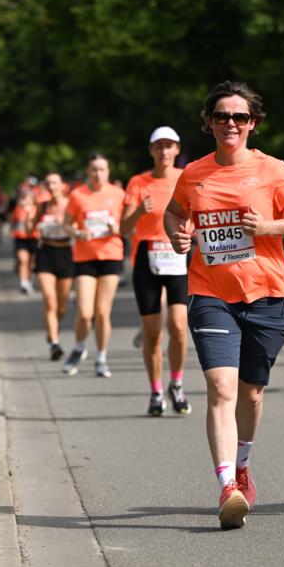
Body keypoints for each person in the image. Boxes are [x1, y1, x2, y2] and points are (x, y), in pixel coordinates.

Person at [164, 81, 284, 529]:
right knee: (221, 390)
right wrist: (178, 233)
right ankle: (227, 486)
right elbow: (175, 212)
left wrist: (268, 226)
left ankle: (243, 462)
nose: (230, 123)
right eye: (221, 116)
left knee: (250, 393)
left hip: (267, 294)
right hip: (211, 293)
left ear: (253, 123)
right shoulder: (193, 173)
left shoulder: (273, 170)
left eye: (239, 117)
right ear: (208, 122)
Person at [122, 127, 191, 416]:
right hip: (147, 258)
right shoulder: (138, 182)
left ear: (177, 150)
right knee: (152, 334)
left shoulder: (186, 178)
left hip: (177, 256)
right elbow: (123, 229)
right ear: (151, 150)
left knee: (177, 326)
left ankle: (177, 383)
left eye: (169, 146)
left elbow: (199, 214)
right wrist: (139, 210)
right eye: (158, 146)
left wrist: (192, 231)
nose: (164, 152)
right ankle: (155, 390)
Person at [62, 154, 125, 377]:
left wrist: (115, 226)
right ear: (88, 172)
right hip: (85, 257)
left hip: (110, 255)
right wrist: (78, 233)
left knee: (102, 312)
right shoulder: (78, 195)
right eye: (94, 170)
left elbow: (127, 225)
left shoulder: (118, 194)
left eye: (102, 170)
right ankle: (79, 348)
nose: (98, 174)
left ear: (108, 172)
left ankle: (101, 357)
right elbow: (66, 225)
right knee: (85, 312)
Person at [32, 172, 73, 361]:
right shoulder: (42, 206)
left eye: (54, 182)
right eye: (48, 183)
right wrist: (30, 219)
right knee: (50, 300)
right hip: (45, 253)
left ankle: (52, 328)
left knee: (62, 305)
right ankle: (54, 343)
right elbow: (29, 228)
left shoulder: (71, 205)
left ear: (62, 185)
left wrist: (66, 227)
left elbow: (80, 227)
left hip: (65, 254)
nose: (51, 186)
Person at [10, 189, 38, 294]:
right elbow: (12, 220)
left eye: (27, 198)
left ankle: (29, 282)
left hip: (34, 238)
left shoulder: (36, 209)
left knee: (31, 263)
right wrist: (12, 230)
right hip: (21, 238)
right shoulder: (18, 209)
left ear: (32, 199)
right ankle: (23, 283)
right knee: (23, 260)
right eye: (23, 198)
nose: (24, 200)